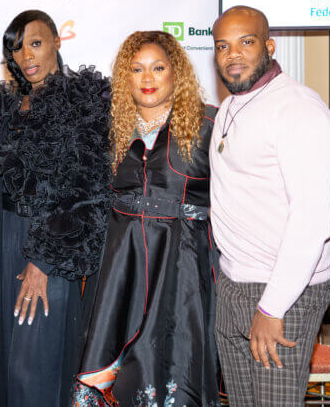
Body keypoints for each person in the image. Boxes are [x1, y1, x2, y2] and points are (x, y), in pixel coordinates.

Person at [72, 31, 220, 407]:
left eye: (158, 68)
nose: (148, 79)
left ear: (176, 73)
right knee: (118, 377)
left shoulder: (210, 125)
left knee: (176, 366)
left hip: (185, 266)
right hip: (120, 269)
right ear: (125, 78)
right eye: (137, 70)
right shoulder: (108, 130)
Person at [0, 9, 112, 407]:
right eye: (16, 50)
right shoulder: (8, 105)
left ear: (57, 42)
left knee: (35, 366)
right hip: (4, 240)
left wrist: (44, 262)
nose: (26, 57)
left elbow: (89, 189)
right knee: (3, 357)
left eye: (35, 44)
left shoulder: (83, 100)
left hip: (49, 245)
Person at [210, 6, 330, 406]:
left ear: (268, 46)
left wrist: (272, 306)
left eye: (246, 42)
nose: (233, 55)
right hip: (234, 285)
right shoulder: (232, 106)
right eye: (222, 46)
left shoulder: (299, 109)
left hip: (283, 292)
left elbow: (313, 216)